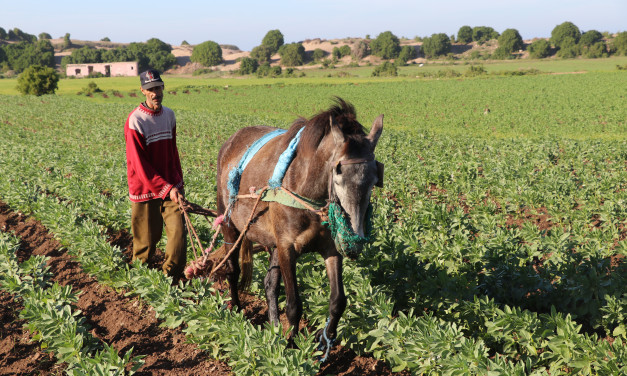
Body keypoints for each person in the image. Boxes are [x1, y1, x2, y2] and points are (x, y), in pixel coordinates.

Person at [124, 69, 186, 281]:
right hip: (145, 190)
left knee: (178, 238)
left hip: (171, 189)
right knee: (145, 246)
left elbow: (173, 152)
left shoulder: (169, 116)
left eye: (158, 88)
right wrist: (166, 188)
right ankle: (140, 284)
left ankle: (170, 281)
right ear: (142, 90)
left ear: (163, 88)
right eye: (150, 89)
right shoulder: (136, 121)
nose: (155, 93)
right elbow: (140, 166)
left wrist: (177, 182)